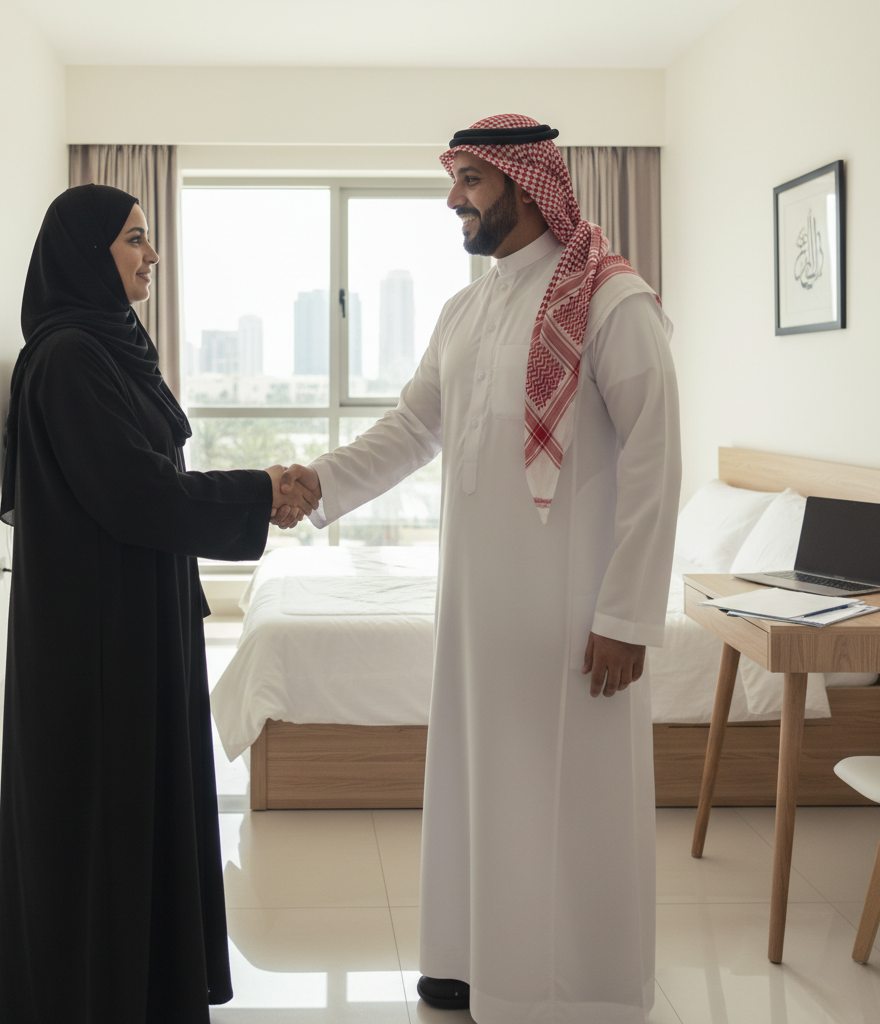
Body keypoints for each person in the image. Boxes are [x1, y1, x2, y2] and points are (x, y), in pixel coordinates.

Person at [282, 114, 681, 1022]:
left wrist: (627, 615)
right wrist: (318, 482)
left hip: (573, 615)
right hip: (477, 608)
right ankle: (469, 960)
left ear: (527, 184)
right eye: (453, 178)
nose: (452, 198)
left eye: (470, 180)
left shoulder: (613, 302)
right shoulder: (465, 311)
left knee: (567, 800)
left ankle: (579, 989)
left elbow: (657, 459)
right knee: (479, 785)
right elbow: (413, 428)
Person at [0, 184, 315, 1024]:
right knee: (105, 823)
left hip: (132, 615)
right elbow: (137, 493)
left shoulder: (111, 345)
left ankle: (143, 990)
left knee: (138, 817)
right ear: (85, 253)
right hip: (96, 639)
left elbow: (147, 482)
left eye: (149, 238)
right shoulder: (68, 357)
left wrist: (255, 494)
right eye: (135, 239)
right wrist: (261, 489)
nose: (152, 254)